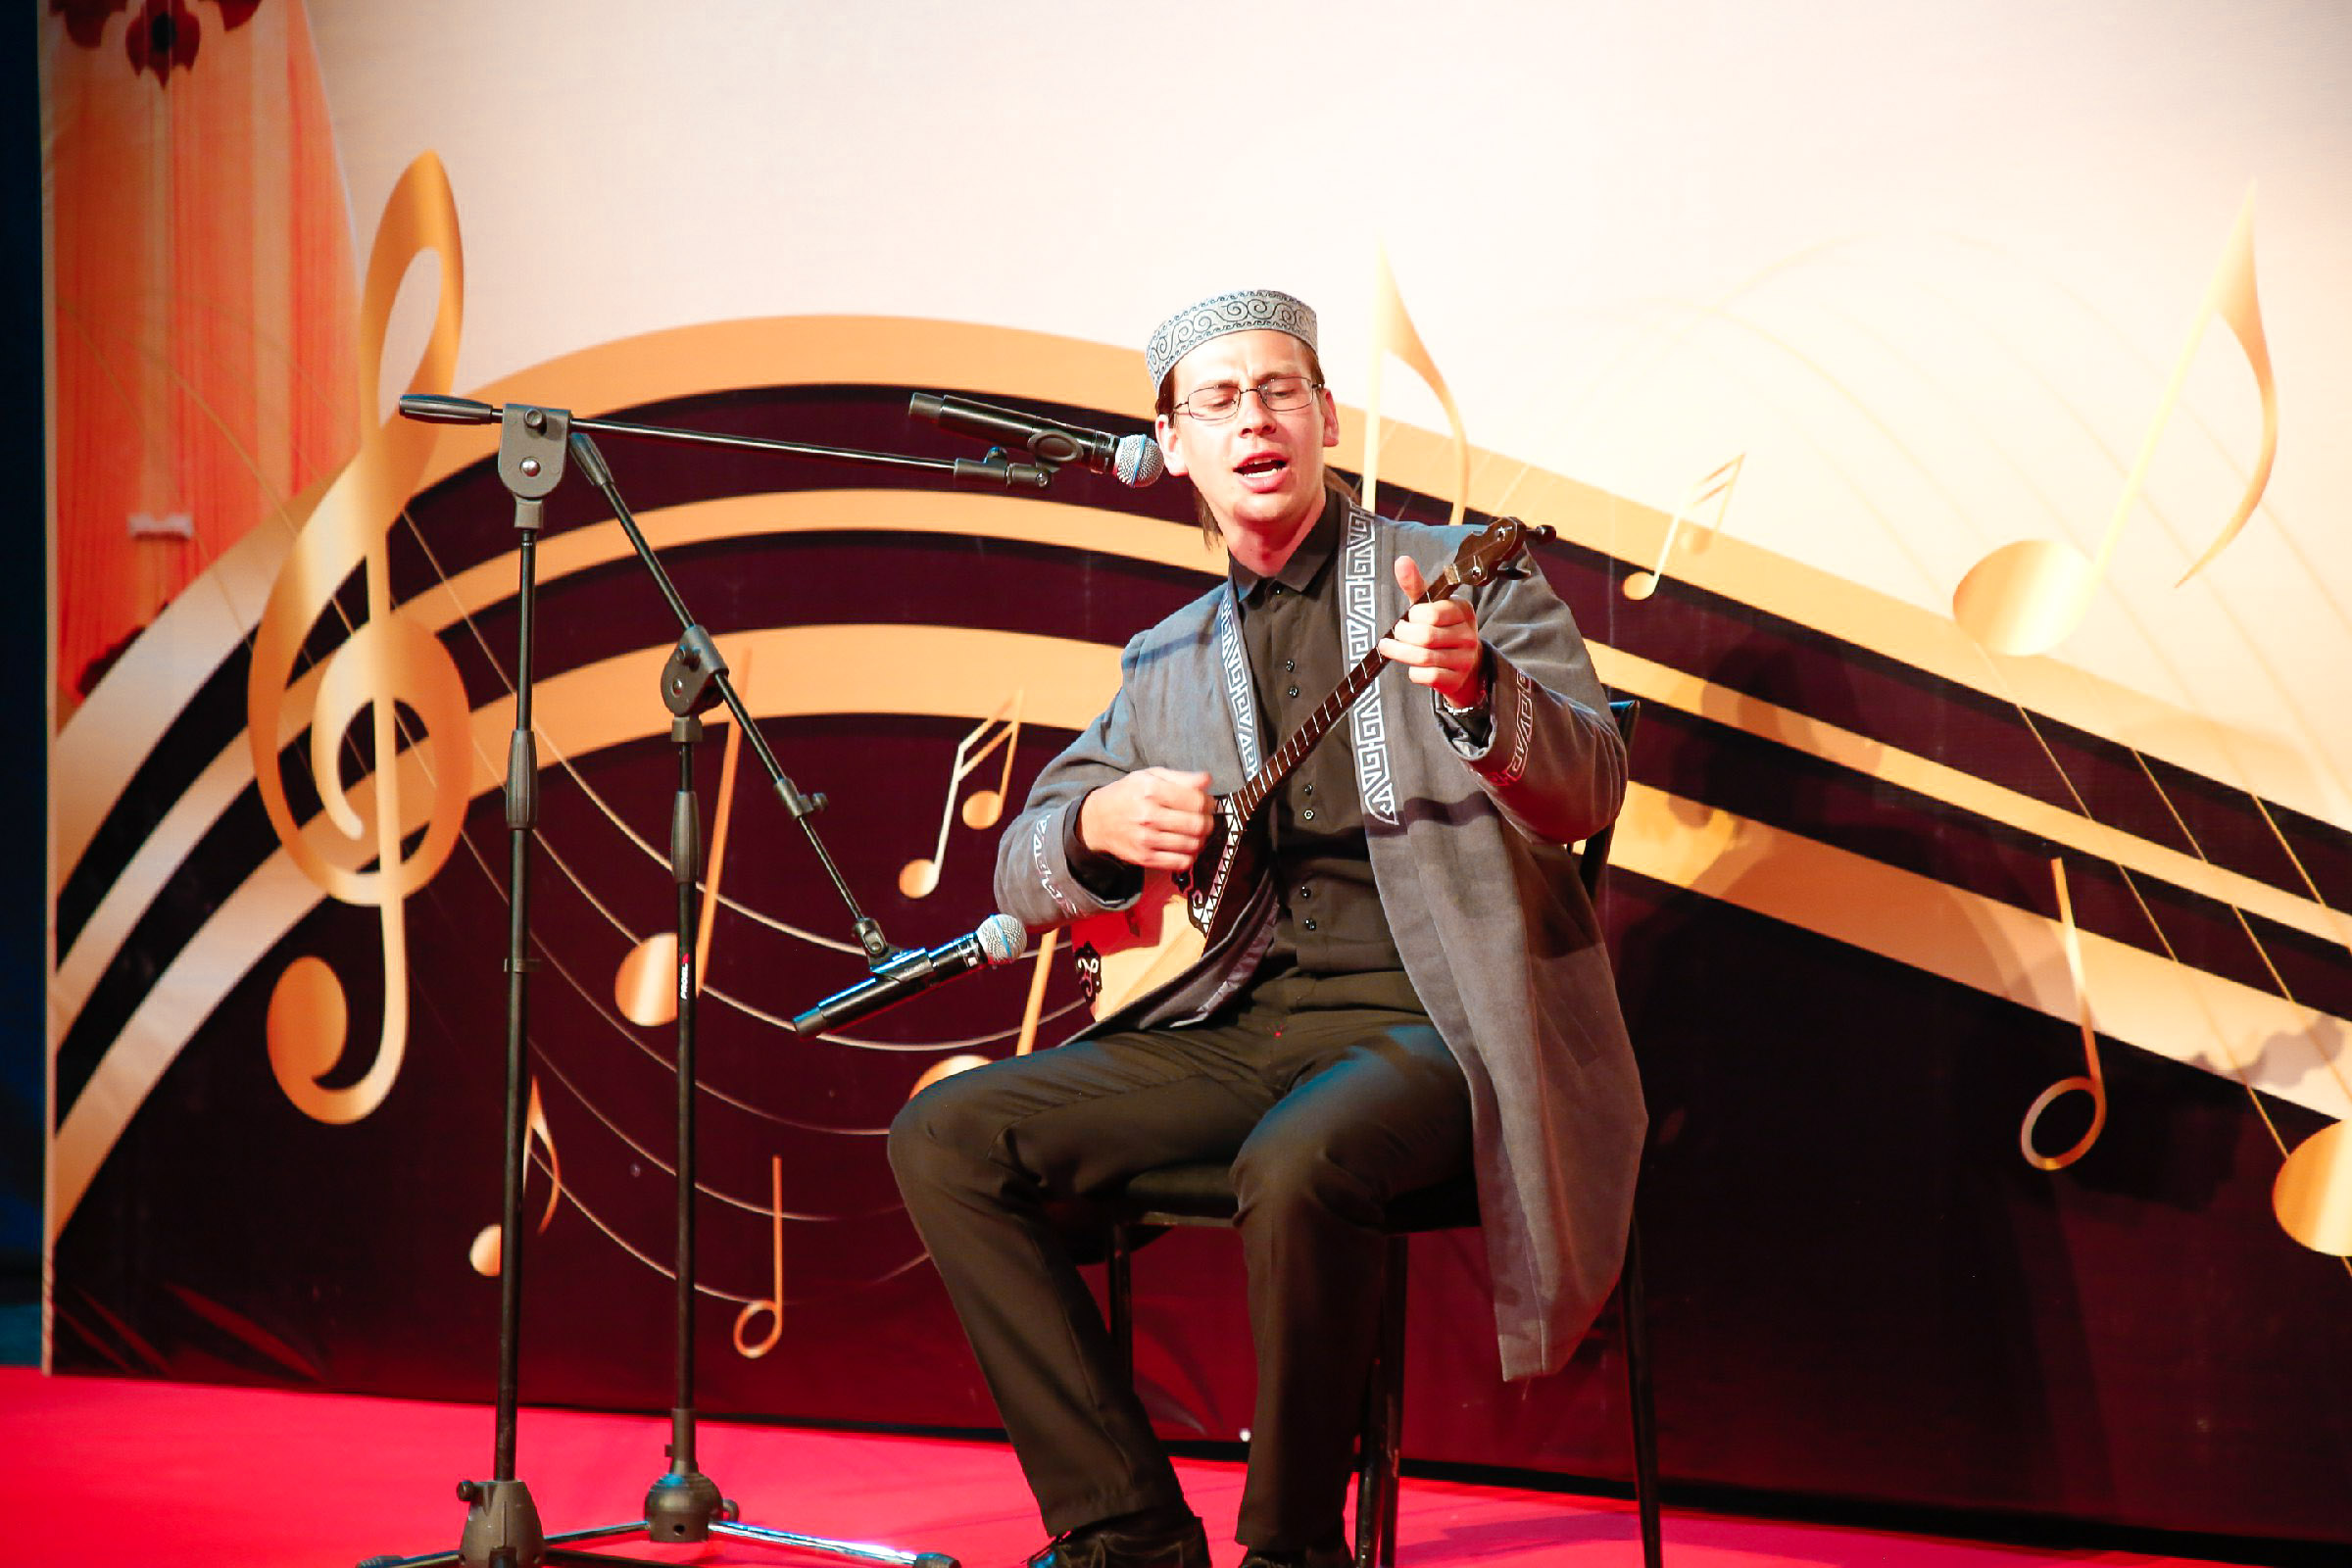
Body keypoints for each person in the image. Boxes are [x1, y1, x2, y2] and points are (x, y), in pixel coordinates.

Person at [889, 288, 1645, 1568]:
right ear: (1172, 445)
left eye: (1281, 389)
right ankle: (1126, 1531)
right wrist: (1099, 826)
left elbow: (1594, 786)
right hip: (1245, 1026)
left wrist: (1477, 691)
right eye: (1220, 399)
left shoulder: (1465, 575)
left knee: (1298, 1164)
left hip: (1447, 1026)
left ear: (1326, 418)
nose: (1255, 418)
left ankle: (1294, 1550)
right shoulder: (1166, 659)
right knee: (947, 1132)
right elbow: (1024, 864)